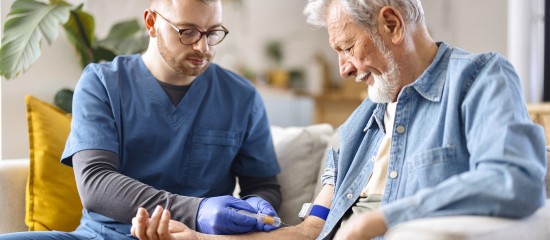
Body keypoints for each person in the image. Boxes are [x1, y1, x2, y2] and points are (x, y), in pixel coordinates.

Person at [129, 0, 548, 239]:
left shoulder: (478, 78)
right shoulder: (358, 127)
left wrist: (384, 219)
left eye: (347, 48)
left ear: (391, 23)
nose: (344, 69)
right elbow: (310, 230)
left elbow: (515, 179)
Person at [0, 0, 283, 239]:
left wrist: (258, 208)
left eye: (212, 33)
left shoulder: (241, 96)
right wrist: (197, 211)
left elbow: (262, 184)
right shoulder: (102, 83)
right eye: (188, 32)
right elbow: (95, 184)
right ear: (151, 23)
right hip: (104, 235)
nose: (203, 47)